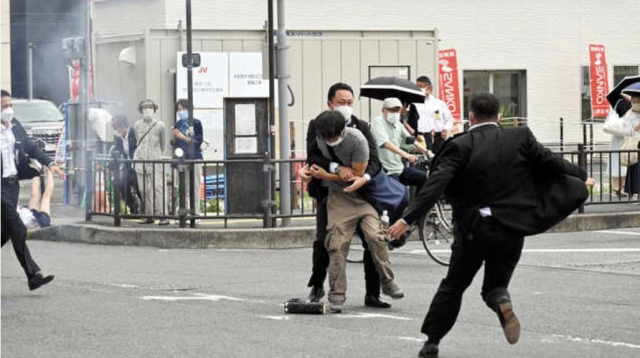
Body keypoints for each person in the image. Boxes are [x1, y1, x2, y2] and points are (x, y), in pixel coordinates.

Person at [387, 93, 595, 358]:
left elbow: (435, 185)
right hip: (512, 227)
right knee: (495, 286)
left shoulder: (460, 145)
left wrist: (407, 219)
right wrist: (582, 177)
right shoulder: (519, 138)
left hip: (474, 229)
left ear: (471, 117)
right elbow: (552, 162)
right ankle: (500, 300)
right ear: (499, 117)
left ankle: (432, 342)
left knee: (454, 286)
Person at [298, 82, 393, 309]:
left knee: (373, 240)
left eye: (350, 102)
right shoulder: (317, 124)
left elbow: (375, 161)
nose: (346, 106)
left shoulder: (361, 127)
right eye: (341, 102)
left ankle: (373, 293)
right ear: (330, 104)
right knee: (324, 241)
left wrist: (364, 178)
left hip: (362, 195)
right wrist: (335, 167)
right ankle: (317, 286)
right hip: (329, 195)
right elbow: (313, 156)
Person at [371, 97, 432, 248]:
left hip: (399, 168)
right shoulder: (378, 122)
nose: (394, 113)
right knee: (402, 198)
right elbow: (386, 143)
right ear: (383, 110)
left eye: (397, 110)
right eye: (391, 110)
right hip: (386, 170)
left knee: (427, 179)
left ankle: (418, 212)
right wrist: (405, 155)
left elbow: (410, 141)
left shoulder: (398, 124)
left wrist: (427, 152)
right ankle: (391, 229)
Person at [1, 89, 66, 206]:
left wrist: (50, 163)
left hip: (12, 184)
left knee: (10, 219)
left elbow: (30, 147)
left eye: (10, 105)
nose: (9, 110)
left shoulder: (14, 126)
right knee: (10, 221)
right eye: (4, 106)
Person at [2, 197, 55, 291]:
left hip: (7, 202)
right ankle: (32, 275)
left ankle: (33, 276)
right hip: (5, 201)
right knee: (18, 230)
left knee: (10, 232)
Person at [133, 99, 169, 225]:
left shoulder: (160, 125)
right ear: (141, 110)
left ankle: (163, 215)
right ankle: (149, 215)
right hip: (140, 160)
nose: (147, 109)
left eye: (150, 107)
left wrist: (157, 154)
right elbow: (138, 140)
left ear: (154, 109)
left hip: (155, 160)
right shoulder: (137, 125)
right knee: (143, 190)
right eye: (144, 107)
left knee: (158, 188)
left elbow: (162, 144)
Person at [171, 99, 204, 215]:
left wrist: (182, 137)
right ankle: (184, 212)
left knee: (194, 186)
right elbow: (175, 144)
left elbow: (198, 141)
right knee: (183, 187)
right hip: (181, 158)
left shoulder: (196, 123)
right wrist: (174, 138)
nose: (181, 111)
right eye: (179, 109)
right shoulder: (178, 124)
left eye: (183, 109)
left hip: (195, 157)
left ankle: (195, 213)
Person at [405, 76, 454, 154]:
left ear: (429, 88)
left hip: (437, 137)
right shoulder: (413, 104)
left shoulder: (438, 103)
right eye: (416, 86)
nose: (418, 89)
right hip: (419, 137)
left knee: (437, 159)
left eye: (420, 86)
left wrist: (445, 129)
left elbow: (449, 119)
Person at [111, 115, 141, 214]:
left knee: (139, 185)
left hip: (137, 165)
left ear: (123, 126)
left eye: (118, 128)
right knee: (122, 184)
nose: (118, 131)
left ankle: (146, 207)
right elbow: (118, 151)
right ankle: (133, 206)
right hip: (128, 166)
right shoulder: (119, 138)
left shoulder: (133, 133)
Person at [621, 85, 640, 197]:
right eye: (634, 101)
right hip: (634, 143)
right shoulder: (628, 115)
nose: (636, 103)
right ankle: (633, 191)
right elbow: (627, 130)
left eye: (638, 101)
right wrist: (637, 127)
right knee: (634, 167)